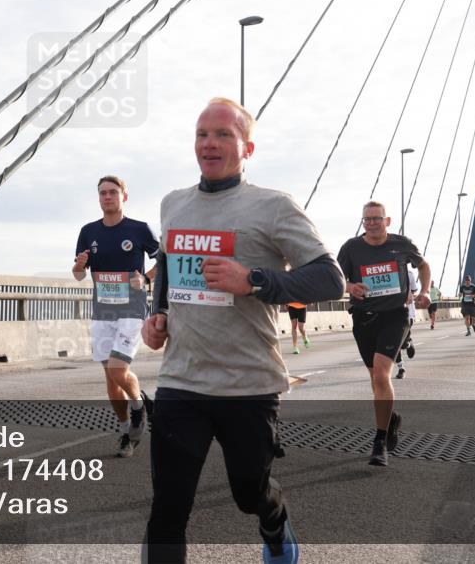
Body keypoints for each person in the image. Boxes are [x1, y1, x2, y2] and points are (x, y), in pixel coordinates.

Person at [141, 97, 344, 564]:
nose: (209, 144)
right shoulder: (173, 204)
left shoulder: (273, 207)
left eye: (223, 135)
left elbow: (329, 278)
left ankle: (274, 524)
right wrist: (159, 316)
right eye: (201, 134)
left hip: (248, 384)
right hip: (181, 381)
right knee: (167, 510)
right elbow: (169, 268)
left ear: (246, 147)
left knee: (249, 494)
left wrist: (252, 281)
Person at [337, 201, 430, 466]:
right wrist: (350, 286)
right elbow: (337, 277)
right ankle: (392, 418)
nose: (371, 224)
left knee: (381, 374)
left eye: (376, 219)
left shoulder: (402, 245)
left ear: (387, 221)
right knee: (376, 380)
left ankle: (380, 441)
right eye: (367, 219)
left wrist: (424, 291)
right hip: (364, 318)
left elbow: (424, 266)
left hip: (395, 316)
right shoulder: (351, 248)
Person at [73, 175, 159, 458]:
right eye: (102, 193)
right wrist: (80, 266)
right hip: (102, 311)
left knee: (117, 369)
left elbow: (165, 259)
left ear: (124, 196)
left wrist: (145, 280)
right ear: (98, 198)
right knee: (110, 379)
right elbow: (78, 274)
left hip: (132, 310)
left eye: (112, 192)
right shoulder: (88, 231)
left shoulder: (139, 229)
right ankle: (125, 430)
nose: (107, 197)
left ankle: (138, 407)